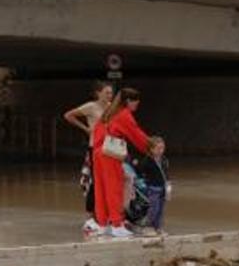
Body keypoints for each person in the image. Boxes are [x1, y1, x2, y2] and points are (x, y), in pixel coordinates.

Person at [90, 88, 151, 238]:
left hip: (98, 152)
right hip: (110, 154)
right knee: (114, 188)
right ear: (129, 101)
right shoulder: (124, 115)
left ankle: (103, 225)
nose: (137, 105)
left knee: (101, 189)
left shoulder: (109, 113)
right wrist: (151, 146)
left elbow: (96, 132)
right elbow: (136, 134)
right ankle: (117, 225)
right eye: (136, 102)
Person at [63, 82, 113, 236]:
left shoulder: (112, 107)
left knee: (109, 182)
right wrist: (86, 129)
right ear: (98, 93)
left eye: (111, 93)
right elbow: (68, 115)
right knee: (95, 182)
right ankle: (90, 216)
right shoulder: (91, 107)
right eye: (106, 93)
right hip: (95, 148)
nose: (109, 96)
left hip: (110, 148)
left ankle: (106, 215)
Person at [136, 135, 171, 237]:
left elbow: (166, 173)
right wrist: (142, 184)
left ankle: (158, 228)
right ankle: (148, 227)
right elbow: (139, 173)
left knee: (160, 209)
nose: (161, 151)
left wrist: (168, 186)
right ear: (151, 149)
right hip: (152, 188)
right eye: (158, 148)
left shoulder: (164, 160)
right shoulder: (147, 161)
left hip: (163, 188)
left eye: (162, 148)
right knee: (153, 208)